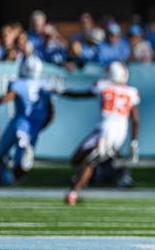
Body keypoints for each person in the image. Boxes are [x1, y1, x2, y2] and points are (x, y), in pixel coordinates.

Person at [0, 56, 54, 202]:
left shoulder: (19, 83)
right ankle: (24, 154)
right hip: (34, 128)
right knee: (19, 172)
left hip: (19, 123)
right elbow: (51, 115)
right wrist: (39, 129)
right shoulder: (45, 85)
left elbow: (6, 98)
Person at [60, 62, 140, 205]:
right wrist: (133, 141)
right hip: (121, 134)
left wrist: (61, 91)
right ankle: (117, 169)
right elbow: (135, 119)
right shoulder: (131, 91)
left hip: (104, 131)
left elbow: (80, 95)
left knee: (82, 160)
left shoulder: (102, 86)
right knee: (87, 160)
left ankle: (73, 193)